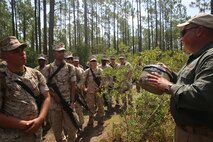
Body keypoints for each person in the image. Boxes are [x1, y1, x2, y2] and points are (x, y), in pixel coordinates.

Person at [147, 13, 213, 142]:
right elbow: (189, 83)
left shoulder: (210, 57)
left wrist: (167, 86)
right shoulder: (198, 57)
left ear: (199, 31)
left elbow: (203, 96)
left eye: (183, 33)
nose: (181, 39)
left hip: (199, 136)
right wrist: (171, 74)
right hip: (187, 133)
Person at [0, 36, 51, 142]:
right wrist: (22, 124)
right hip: (12, 137)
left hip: (36, 135)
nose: (21, 53)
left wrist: (40, 119)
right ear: (4, 56)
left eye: (22, 49)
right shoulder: (2, 78)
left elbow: (46, 96)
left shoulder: (35, 74)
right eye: (15, 51)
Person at [42, 42, 78, 142]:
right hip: (54, 105)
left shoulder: (70, 68)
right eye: (59, 52)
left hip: (67, 102)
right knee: (57, 131)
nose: (61, 54)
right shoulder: (47, 69)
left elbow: (73, 86)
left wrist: (72, 102)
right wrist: (54, 95)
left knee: (73, 127)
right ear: (54, 53)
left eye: (62, 51)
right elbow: (43, 86)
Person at [83, 55, 105, 126]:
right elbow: (83, 81)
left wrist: (100, 87)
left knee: (100, 104)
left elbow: (103, 79)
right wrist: (84, 89)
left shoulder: (100, 70)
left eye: (94, 61)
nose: (93, 62)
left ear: (96, 62)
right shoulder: (87, 71)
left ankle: (101, 117)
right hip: (90, 92)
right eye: (92, 61)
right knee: (90, 105)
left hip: (98, 91)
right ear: (90, 63)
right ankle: (91, 118)